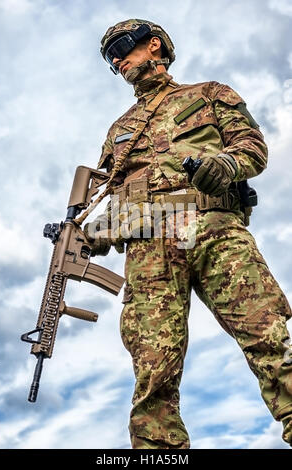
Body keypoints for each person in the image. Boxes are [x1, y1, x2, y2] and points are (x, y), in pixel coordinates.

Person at [84, 19, 292, 449]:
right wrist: (85, 235)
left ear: (153, 45)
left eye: (120, 49)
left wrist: (225, 167)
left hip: (214, 228)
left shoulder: (209, 94)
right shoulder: (118, 131)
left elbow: (252, 148)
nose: (117, 61)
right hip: (148, 250)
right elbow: (118, 201)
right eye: (110, 60)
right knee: (152, 370)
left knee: (268, 335)